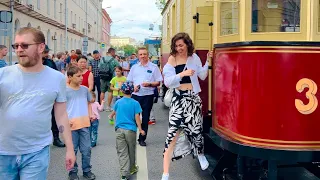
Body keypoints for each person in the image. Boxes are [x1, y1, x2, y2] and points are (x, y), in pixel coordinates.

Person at [0, 27, 75, 179]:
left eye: (25, 45)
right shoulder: (3, 75)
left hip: (37, 152)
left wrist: (70, 148)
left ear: (41, 47)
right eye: (16, 46)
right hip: (3, 152)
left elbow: (61, 115)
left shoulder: (56, 78)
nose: (19, 50)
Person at [161, 32, 212, 180]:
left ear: (187, 44)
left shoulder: (194, 57)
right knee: (172, 135)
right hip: (178, 99)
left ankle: (200, 155)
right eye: (176, 46)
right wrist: (182, 75)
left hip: (193, 99)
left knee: (196, 132)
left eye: (181, 45)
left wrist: (208, 61)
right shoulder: (172, 59)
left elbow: (202, 75)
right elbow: (168, 82)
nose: (179, 48)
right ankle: (165, 173)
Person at [108, 81, 145, 180]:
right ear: (132, 90)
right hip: (131, 131)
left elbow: (113, 113)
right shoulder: (135, 103)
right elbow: (137, 117)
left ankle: (124, 174)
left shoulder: (118, 102)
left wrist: (110, 118)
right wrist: (140, 129)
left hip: (119, 130)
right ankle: (132, 168)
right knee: (131, 150)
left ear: (122, 91)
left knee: (122, 151)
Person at [127, 47, 163, 147]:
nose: (143, 56)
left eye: (144, 54)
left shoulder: (154, 67)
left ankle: (142, 138)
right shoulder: (134, 67)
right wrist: (133, 87)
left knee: (145, 117)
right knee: (133, 117)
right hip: (136, 95)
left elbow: (158, 81)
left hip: (148, 96)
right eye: (141, 54)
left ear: (148, 55)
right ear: (138, 56)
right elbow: (129, 81)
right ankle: (131, 137)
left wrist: (150, 84)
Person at [66, 66, 96, 180]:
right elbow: (61, 108)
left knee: (86, 149)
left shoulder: (84, 89)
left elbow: (89, 103)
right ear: (70, 77)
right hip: (71, 126)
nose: (81, 78)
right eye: (78, 76)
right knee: (72, 150)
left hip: (84, 124)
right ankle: (72, 172)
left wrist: (91, 114)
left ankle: (87, 170)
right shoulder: (65, 90)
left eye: (82, 75)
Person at [43, 45, 66, 148]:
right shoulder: (33, 65)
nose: (46, 54)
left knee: (54, 118)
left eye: (46, 52)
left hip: (51, 94)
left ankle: (56, 138)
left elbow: (56, 76)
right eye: (45, 52)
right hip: (39, 96)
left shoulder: (50, 62)